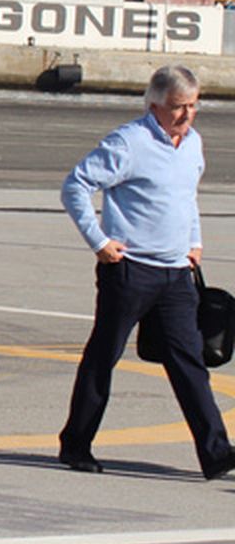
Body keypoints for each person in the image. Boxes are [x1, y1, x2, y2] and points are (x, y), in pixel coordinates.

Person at [56, 65, 235, 480]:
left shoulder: (193, 144)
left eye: (193, 106)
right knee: (104, 355)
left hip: (175, 274)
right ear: (154, 105)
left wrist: (195, 241)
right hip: (130, 270)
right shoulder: (129, 142)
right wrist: (99, 241)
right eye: (177, 107)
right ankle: (76, 443)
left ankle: (216, 451)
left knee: (190, 362)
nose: (186, 115)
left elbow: (186, 197)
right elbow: (75, 185)